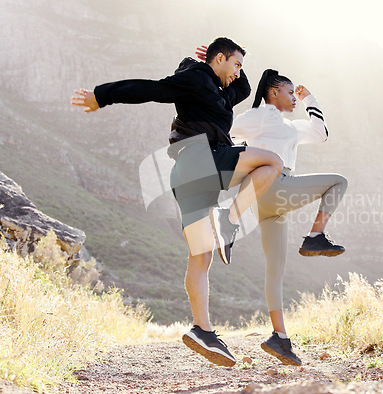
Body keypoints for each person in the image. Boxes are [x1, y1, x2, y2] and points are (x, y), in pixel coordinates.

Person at [71, 38, 283, 367]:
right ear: (220, 59)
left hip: (187, 176)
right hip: (201, 159)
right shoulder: (196, 79)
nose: (238, 72)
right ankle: (230, 219)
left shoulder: (220, 91)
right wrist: (102, 95)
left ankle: (202, 329)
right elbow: (149, 89)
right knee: (272, 162)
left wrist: (230, 69)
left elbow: (243, 88)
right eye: (236, 63)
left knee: (201, 257)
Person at [230, 69, 348, 365]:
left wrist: (311, 100)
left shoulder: (290, 127)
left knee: (275, 270)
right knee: (338, 182)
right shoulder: (260, 115)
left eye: (296, 94)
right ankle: (314, 237)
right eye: (290, 92)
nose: (294, 97)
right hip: (272, 185)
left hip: (269, 206)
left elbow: (320, 134)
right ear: (272, 93)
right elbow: (228, 127)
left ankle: (279, 338)